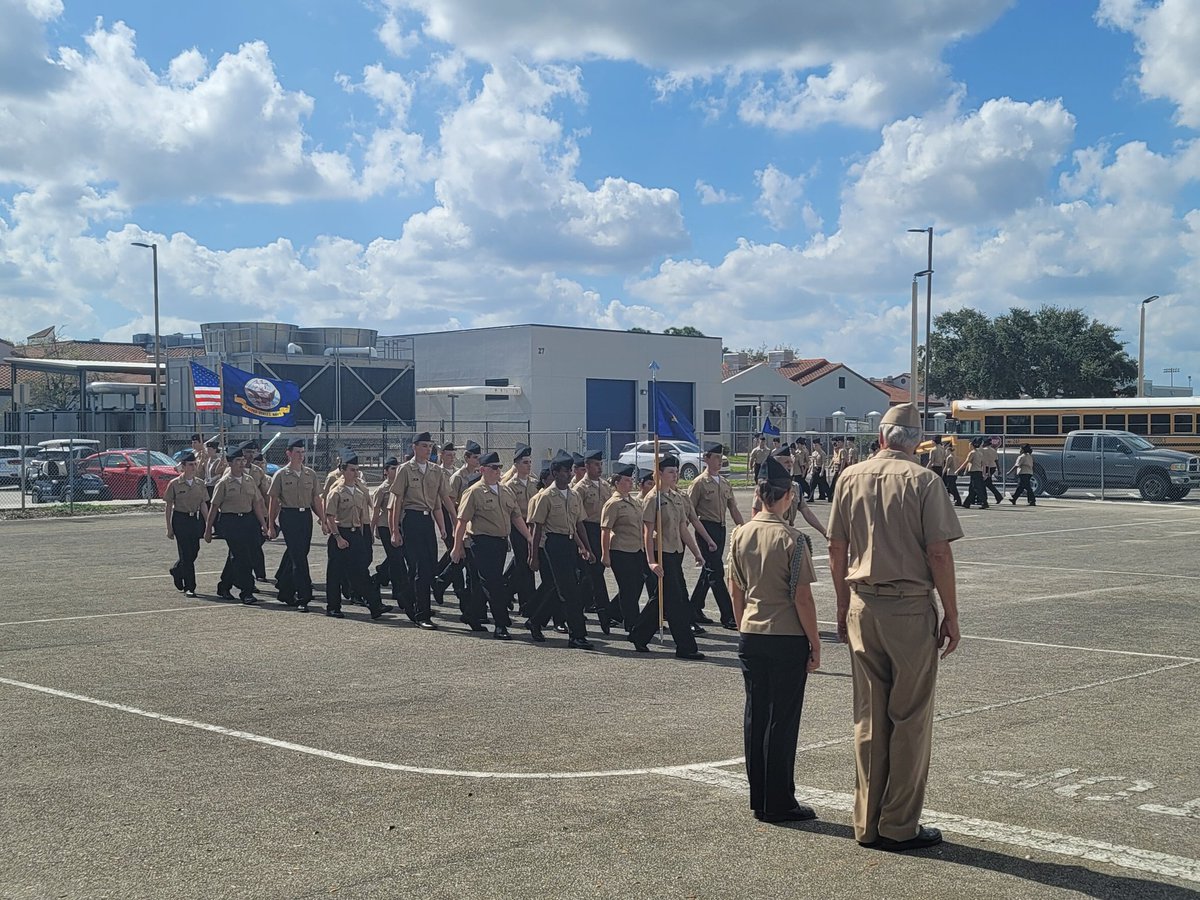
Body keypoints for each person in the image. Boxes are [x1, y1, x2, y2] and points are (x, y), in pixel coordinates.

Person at [828, 403, 962, 852]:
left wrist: (842, 605)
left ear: (882, 437)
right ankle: (898, 824)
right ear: (915, 443)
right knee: (909, 718)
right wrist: (952, 614)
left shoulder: (850, 477)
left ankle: (866, 822)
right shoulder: (924, 481)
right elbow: (939, 552)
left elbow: (836, 547)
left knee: (869, 717)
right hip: (908, 608)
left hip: (862, 603)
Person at [729, 453, 821, 823]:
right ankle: (780, 800)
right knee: (782, 719)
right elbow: (802, 598)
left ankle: (760, 798)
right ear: (788, 496)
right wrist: (815, 642)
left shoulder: (740, 534)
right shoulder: (793, 539)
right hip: (786, 636)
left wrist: (743, 626)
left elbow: (736, 589)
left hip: (752, 632)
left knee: (756, 714)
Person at [628, 455, 707, 660]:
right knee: (676, 601)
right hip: (661, 554)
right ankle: (686, 647)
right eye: (671, 472)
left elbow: (683, 528)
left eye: (676, 472)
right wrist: (651, 561)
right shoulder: (652, 499)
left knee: (661, 598)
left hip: (675, 552)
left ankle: (638, 634)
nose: (675, 475)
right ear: (659, 473)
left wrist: (696, 552)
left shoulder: (676, 497)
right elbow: (647, 532)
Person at [451, 451, 535, 639]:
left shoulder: (505, 490)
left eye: (499, 467)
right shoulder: (473, 492)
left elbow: (516, 516)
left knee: (486, 583)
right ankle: (501, 624)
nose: (497, 471)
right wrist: (457, 547)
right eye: (493, 468)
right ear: (483, 470)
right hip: (481, 542)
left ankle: (471, 614)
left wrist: (529, 537)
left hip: (500, 543)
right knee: (494, 584)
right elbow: (462, 522)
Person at [525, 450, 595, 650]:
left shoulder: (574, 495)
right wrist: (533, 556)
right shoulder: (546, 496)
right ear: (555, 473)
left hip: (570, 543)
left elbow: (579, 524)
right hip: (554, 544)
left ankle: (535, 621)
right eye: (565, 471)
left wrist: (587, 548)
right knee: (570, 592)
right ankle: (577, 636)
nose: (569, 474)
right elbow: (537, 528)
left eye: (570, 470)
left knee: (560, 589)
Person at [389, 431, 450, 630]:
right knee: (419, 568)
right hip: (411, 519)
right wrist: (394, 530)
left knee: (430, 567)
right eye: (424, 445)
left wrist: (444, 526)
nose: (427, 449)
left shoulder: (436, 470)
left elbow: (440, 501)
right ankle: (422, 613)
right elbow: (397, 501)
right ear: (414, 447)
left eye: (430, 446)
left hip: (427, 521)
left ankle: (407, 596)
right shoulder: (405, 469)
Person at [324, 448, 392, 620]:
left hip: (356, 534)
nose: (355, 473)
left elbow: (363, 517)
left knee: (361, 572)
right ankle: (333, 607)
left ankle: (374, 605)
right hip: (340, 533)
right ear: (343, 470)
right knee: (335, 574)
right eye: (352, 470)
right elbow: (330, 516)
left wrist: (363, 537)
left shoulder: (359, 491)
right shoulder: (336, 491)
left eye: (357, 470)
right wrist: (338, 537)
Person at [688, 442, 743, 630]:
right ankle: (728, 616)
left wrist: (744, 529)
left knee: (709, 570)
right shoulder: (699, 483)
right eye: (716, 457)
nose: (720, 461)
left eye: (721, 457)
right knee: (716, 572)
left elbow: (733, 508)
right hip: (705, 529)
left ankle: (694, 608)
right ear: (706, 459)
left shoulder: (725, 483)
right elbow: (689, 511)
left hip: (720, 529)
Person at [204, 445, 269, 604]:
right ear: (230, 463)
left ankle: (224, 586)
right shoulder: (224, 482)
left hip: (248, 520)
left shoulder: (249, 480)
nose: (241, 463)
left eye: (242, 460)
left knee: (242, 555)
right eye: (237, 461)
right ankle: (247, 591)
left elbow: (256, 503)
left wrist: (263, 523)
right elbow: (214, 507)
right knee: (241, 556)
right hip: (230, 521)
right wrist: (208, 529)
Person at [268, 438, 326, 612]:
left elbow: (316, 499)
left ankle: (285, 589)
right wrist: (270, 524)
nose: (301, 456)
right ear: (289, 453)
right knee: (299, 558)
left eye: (302, 452)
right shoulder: (281, 474)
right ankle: (303, 596)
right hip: (289, 515)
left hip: (305, 515)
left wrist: (323, 520)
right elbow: (274, 501)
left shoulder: (310, 474)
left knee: (300, 553)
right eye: (297, 452)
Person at [600, 463, 646, 627]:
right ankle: (632, 624)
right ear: (617, 482)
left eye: (631, 480)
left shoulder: (634, 502)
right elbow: (605, 530)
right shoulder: (613, 503)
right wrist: (605, 554)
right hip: (621, 550)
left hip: (637, 549)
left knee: (637, 584)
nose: (630, 483)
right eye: (626, 480)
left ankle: (611, 612)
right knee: (628, 589)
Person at [435, 440, 480, 608]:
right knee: (458, 553)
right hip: (455, 518)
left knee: (464, 555)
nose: (477, 460)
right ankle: (455, 587)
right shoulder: (457, 477)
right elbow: (451, 503)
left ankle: (443, 581)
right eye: (474, 457)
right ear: (467, 458)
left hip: (472, 519)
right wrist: (455, 525)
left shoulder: (477, 474)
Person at [573, 448, 614, 633]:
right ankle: (604, 613)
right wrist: (582, 544)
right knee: (592, 574)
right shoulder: (580, 489)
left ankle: (580, 607)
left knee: (592, 575)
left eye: (601, 464)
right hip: (586, 530)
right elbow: (577, 518)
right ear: (587, 466)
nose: (600, 468)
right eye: (596, 464)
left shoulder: (605, 486)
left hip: (602, 531)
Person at [372, 456, 415, 614]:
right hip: (385, 526)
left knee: (398, 557)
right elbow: (376, 511)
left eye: (397, 468)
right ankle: (400, 593)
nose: (396, 471)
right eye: (392, 468)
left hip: (400, 524)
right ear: (385, 471)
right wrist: (372, 529)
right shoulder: (382, 489)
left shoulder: (402, 486)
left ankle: (380, 575)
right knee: (397, 560)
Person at [164, 451, 208, 598]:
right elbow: (168, 506)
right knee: (186, 554)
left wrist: (208, 523)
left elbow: (203, 504)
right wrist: (169, 527)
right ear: (183, 466)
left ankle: (177, 570)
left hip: (194, 519)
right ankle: (190, 586)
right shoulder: (175, 484)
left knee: (194, 550)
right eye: (190, 465)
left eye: (195, 464)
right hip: (180, 519)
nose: (193, 467)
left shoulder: (200, 483)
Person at [502, 443, 538, 617]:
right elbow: (511, 512)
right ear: (516, 465)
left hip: (533, 526)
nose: (528, 465)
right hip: (517, 526)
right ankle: (526, 603)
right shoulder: (510, 485)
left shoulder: (535, 483)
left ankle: (506, 590)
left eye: (530, 462)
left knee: (524, 563)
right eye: (525, 462)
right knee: (524, 563)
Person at [927, 436, 961, 506]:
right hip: (941, 467)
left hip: (934, 467)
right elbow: (943, 460)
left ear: (934, 441)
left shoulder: (933, 450)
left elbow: (931, 461)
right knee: (942, 484)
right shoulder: (942, 449)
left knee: (933, 484)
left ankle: (935, 499)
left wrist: (926, 468)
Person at [957, 438, 989, 509]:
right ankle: (967, 503)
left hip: (974, 472)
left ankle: (984, 503)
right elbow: (983, 464)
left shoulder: (972, 453)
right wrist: (984, 473)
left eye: (970, 444)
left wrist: (958, 470)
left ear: (972, 445)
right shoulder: (980, 453)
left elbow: (966, 462)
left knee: (977, 488)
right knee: (972, 489)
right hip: (978, 471)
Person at [981, 439, 1004, 505]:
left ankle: (984, 499)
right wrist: (999, 469)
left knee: (984, 483)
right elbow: (996, 460)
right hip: (993, 467)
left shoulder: (983, 450)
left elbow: (982, 460)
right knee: (988, 483)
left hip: (986, 467)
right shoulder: (994, 450)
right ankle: (998, 496)